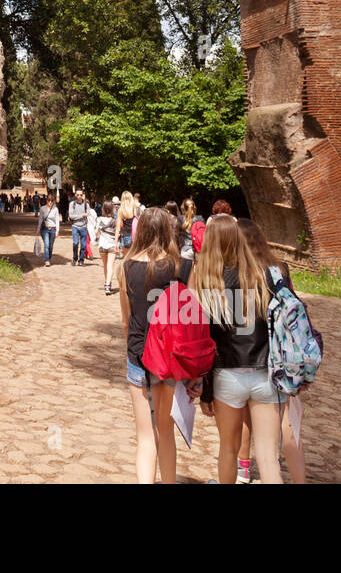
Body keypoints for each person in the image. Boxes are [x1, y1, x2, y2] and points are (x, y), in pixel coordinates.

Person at [188, 215, 286, 485]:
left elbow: (206, 341)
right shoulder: (263, 274)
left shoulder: (209, 281)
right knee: (267, 457)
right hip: (264, 371)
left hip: (227, 375)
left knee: (228, 450)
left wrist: (205, 390)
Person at [119, 206, 193, 484]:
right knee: (166, 432)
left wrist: (132, 350)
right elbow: (192, 320)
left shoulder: (126, 267)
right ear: (167, 231)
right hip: (171, 360)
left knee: (145, 436)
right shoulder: (182, 267)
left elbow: (126, 321)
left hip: (139, 356)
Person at [236, 217, 307, 483]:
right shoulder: (281, 269)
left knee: (245, 414)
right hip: (282, 354)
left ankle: (243, 467)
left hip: (250, 355)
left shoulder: (239, 271)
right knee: (288, 420)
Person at [95, 200, 121, 295]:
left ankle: (107, 282)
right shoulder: (114, 221)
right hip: (111, 245)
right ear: (112, 209)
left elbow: (96, 233)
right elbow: (117, 234)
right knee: (110, 266)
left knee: (105, 266)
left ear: (103, 209)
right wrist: (117, 244)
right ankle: (108, 285)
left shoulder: (99, 219)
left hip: (102, 245)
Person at [36, 194, 61, 266]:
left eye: (52, 201)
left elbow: (57, 220)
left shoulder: (55, 209)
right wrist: (38, 230)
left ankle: (48, 257)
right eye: (49, 200)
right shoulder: (42, 209)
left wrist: (57, 231)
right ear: (46, 201)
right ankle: (46, 260)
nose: (50, 202)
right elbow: (40, 220)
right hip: (45, 229)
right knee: (46, 244)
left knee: (50, 245)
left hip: (53, 229)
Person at [68, 189, 91, 266]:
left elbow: (88, 213)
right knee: (75, 243)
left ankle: (81, 260)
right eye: (77, 195)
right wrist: (81, 215)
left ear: (83, 195)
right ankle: (75, 258)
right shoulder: (72, 204)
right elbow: (71, 216)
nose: (79, 196)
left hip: (84, 226)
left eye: (81, 195)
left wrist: (83, 215)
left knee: (84, 245)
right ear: (75, 195)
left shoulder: (86, 205)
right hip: (75, 226)